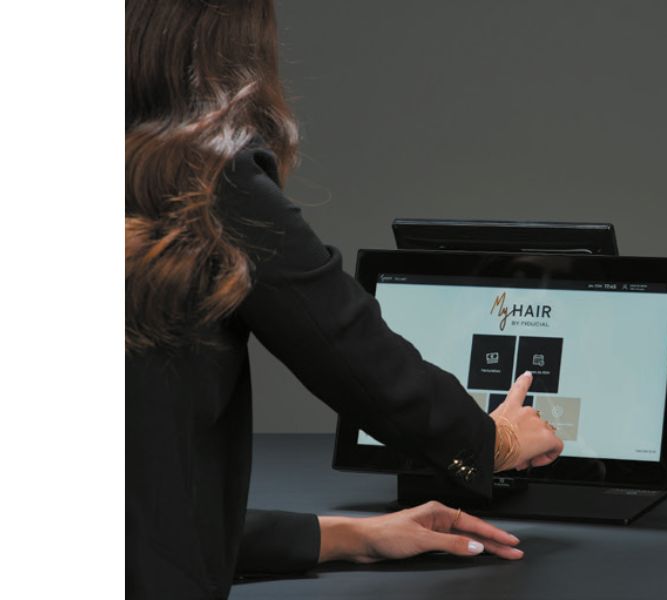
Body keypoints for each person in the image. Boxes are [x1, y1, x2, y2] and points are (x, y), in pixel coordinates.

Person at [125, 1, 565, 598]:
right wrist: (493, 443)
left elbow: (137, 514)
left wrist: (347, 537)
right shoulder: (205, 180)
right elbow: (351, 348)